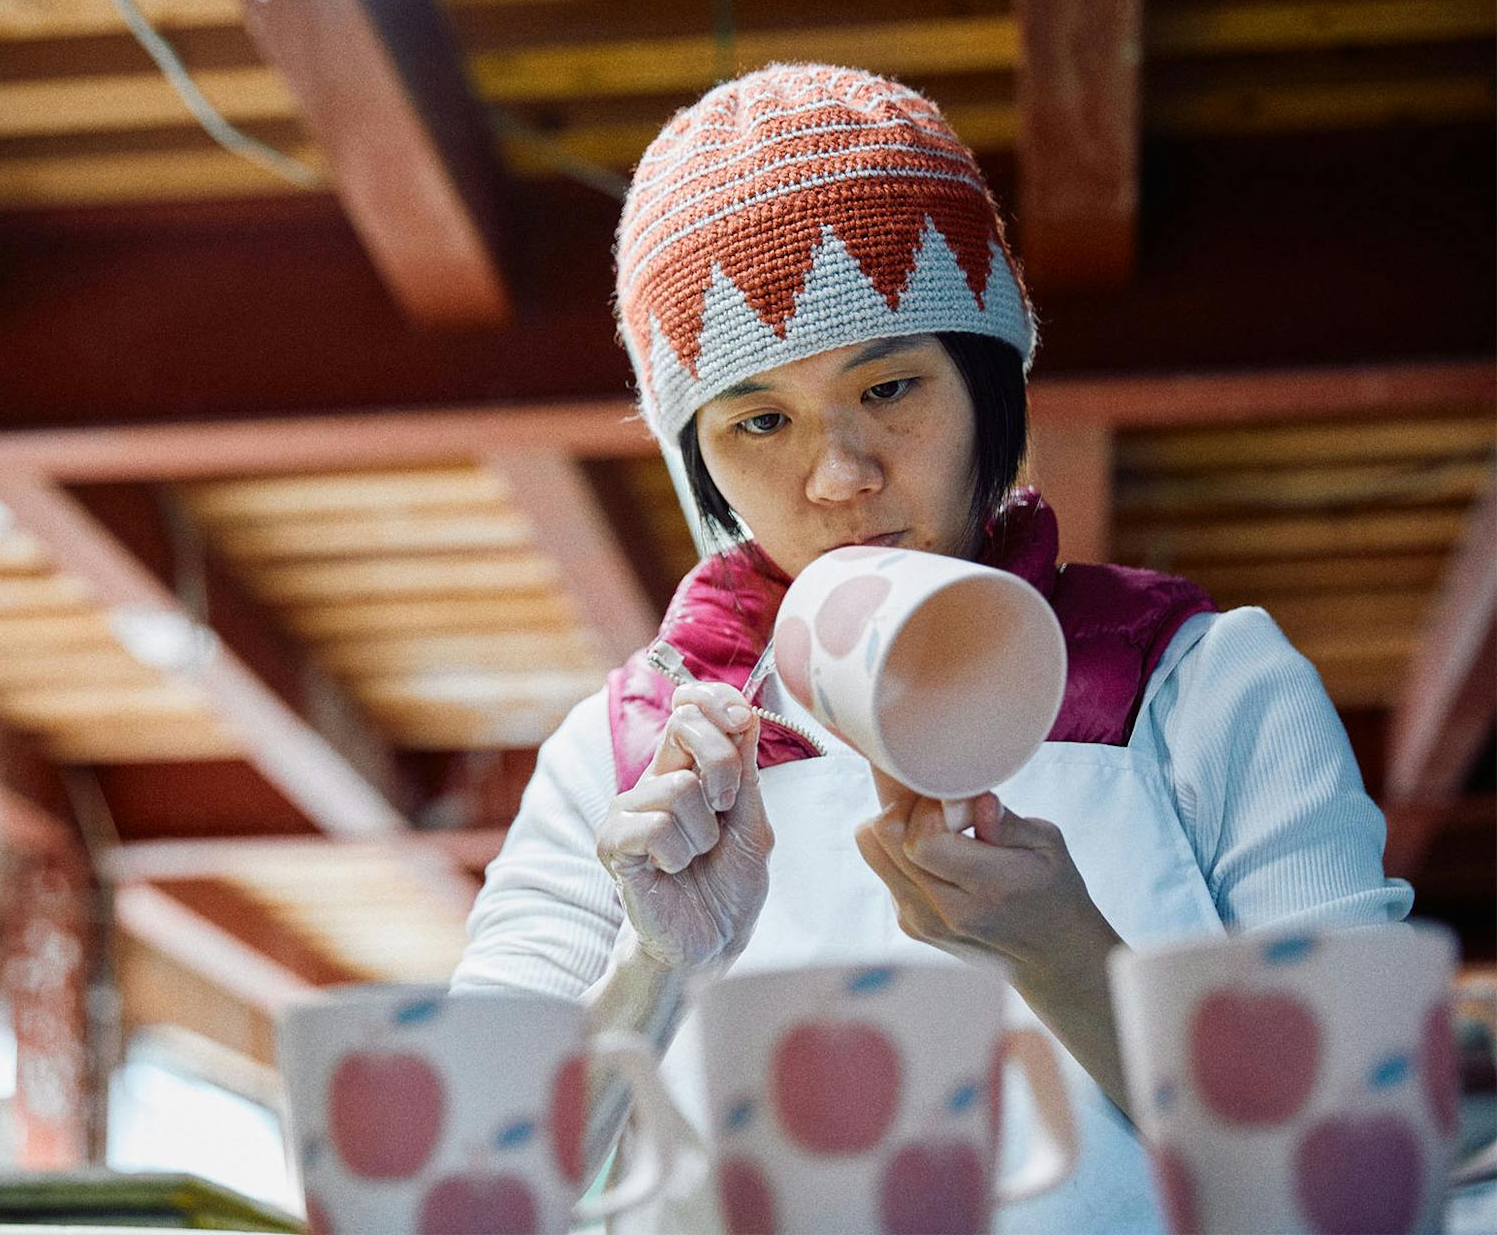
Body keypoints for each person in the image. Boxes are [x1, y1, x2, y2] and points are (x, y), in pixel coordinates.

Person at [449, 64, 1413, 1233]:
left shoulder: (1196, 688)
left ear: (989, 382)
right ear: (699, 460)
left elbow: (1371, 1197)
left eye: (892, 384)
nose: (839, 474)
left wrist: (1067, 953)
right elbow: (462, 1196)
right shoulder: (619, 760)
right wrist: (656, 969)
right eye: (759, 420)